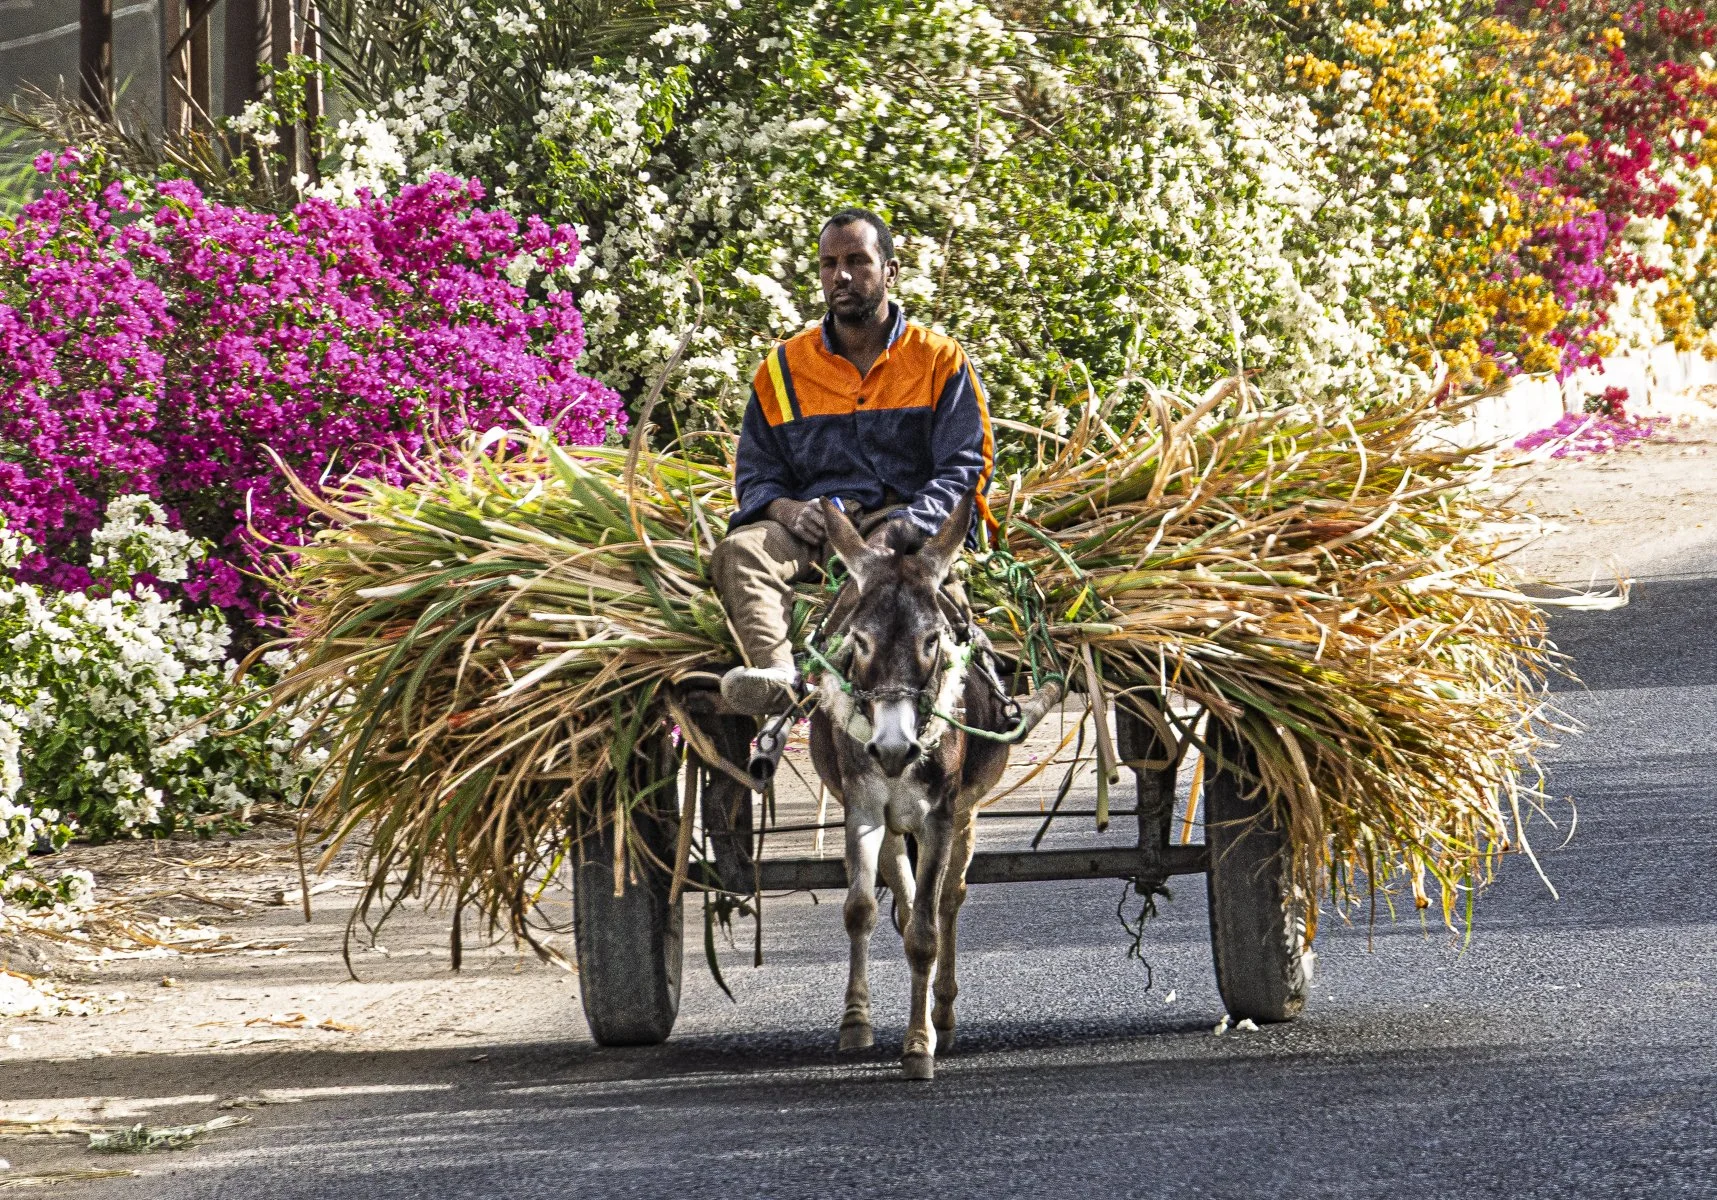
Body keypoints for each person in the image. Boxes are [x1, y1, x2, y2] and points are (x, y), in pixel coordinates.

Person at [711, 207, 997, 716]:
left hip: (904, 525)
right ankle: (781, 680)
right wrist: (785, 510)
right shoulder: (783, 368)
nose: (840, 276)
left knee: (916, 582)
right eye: (828, 264)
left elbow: (964, 469)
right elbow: (756, 473)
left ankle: (950, 689)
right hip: (818, 529)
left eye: (857, 261)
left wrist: (904, 529)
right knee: (740, 552)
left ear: (889, 271)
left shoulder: (938, 359)